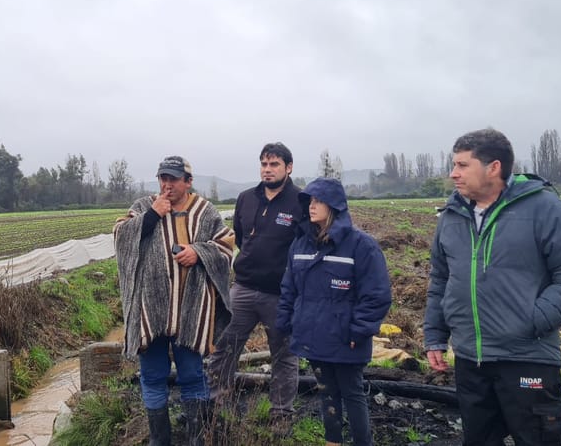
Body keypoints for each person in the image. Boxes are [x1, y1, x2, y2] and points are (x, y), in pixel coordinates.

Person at [424, 128, 561, 446]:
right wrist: (435, 336)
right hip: (470, 359)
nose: (453, 174)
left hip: (527, 357)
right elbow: (441, 279)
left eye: (463, 165)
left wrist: (531, 319)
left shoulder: (543, 208)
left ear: (493, 167)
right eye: (454, 165)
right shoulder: (451, 216)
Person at [114, 155, 236, 446]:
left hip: (190, 310)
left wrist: (199, 253)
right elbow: (120, 236)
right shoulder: (144, 206)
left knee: (192, 375)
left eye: (173, 179)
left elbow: (226, 245)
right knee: (153, 375)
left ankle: (196, 439)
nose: (167, 184)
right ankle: (160, 440)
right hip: (151, 309)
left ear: (188, 182)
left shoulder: (204, 212)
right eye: (162, 178)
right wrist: (153, 215)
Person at [276, 177, 392, 446]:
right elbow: (289, 288)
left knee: (352, 393)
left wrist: (359, 330)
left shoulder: (361, 246)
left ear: (335, 206)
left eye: (318, 201)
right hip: (312, 334)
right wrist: (286, 322)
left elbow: (377, 295)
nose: (311, 207)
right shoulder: (301, 244)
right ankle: (333, 441)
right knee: (326, 391)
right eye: (309, 201)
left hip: (345, 337)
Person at [206, 142, 303, 422]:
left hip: (281, 295)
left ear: (288, 167)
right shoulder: (246, 198)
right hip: (244, 289)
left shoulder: (300, 201)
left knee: (284, 356)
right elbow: (240, 235)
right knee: (224, 346)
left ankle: (281, 415)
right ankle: (218, 406)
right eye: (264, 164)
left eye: (274, 164)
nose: (268, 170)